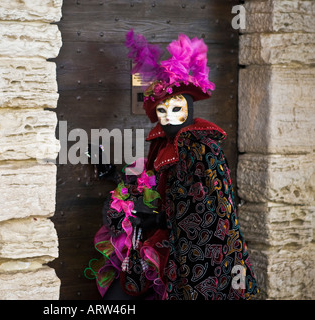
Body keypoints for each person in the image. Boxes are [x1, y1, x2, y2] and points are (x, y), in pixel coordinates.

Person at [85, 30, 259, 300]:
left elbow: (208, 209)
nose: (169, 117)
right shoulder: (162, 143)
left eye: (177, 109)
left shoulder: (201, 148)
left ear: (190, 108)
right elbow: (152, 181)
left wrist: (160, 217)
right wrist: (117, 175)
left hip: (188, 255)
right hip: (156, 244)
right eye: (162, 111)